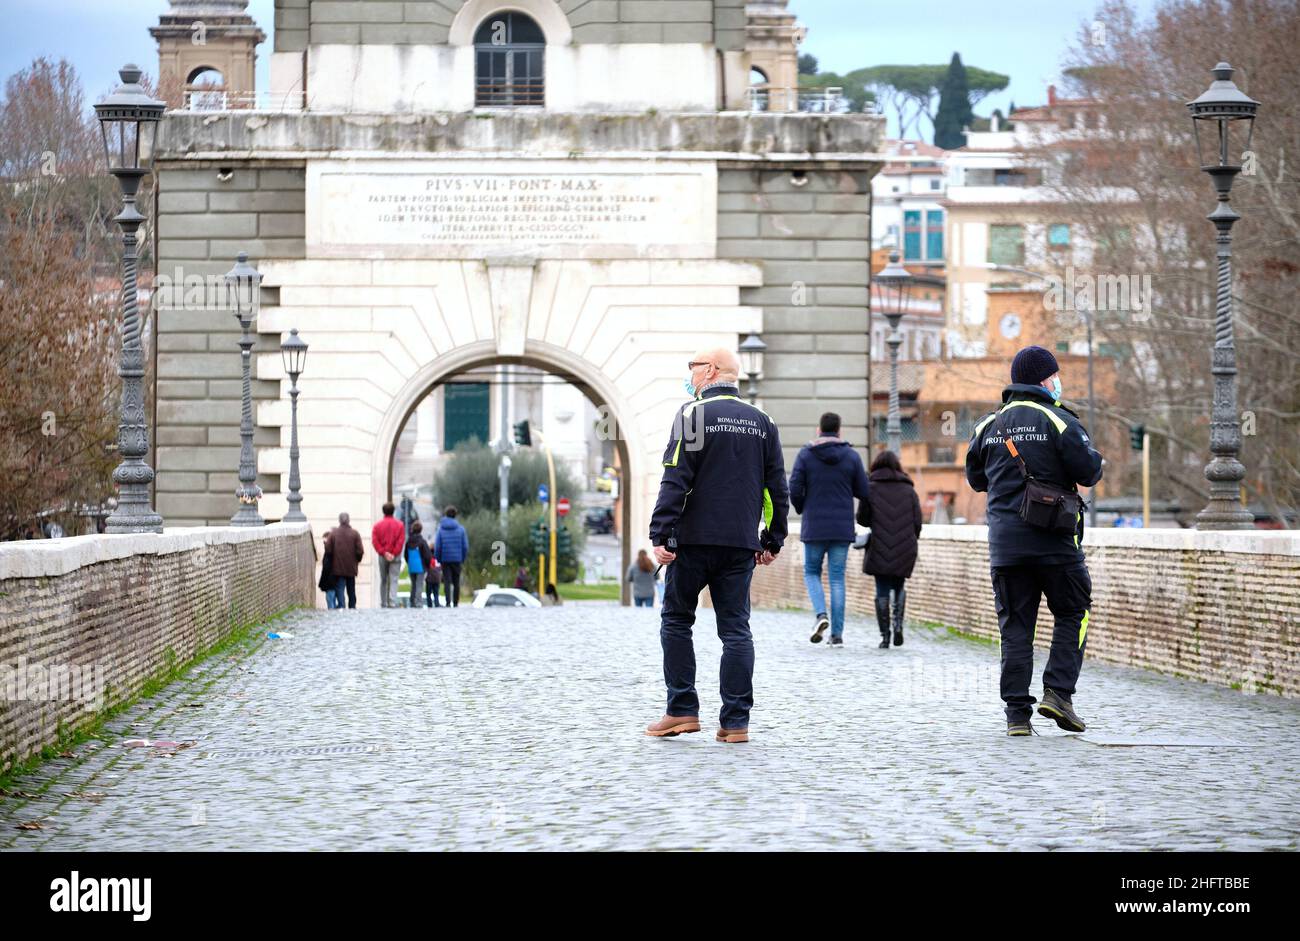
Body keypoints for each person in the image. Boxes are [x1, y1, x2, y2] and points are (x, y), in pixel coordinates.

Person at [646, 347, 789, 744]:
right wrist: (772, 538)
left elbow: (675, 477)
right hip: (740, 545)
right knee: (736, 630)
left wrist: (661, 532)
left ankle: (681, 709)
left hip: (691, 543)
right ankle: (735, 722)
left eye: (691, 366)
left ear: (709, 371)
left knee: (677, 620)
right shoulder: (764, 423)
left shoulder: (692, 415)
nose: (689, 374)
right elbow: (777, 488)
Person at [965, 345, 1104, 737]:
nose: (1058, 383)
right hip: (1056, 543)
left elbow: (976, 480)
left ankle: (1017, 716)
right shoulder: (1059, 420)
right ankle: (1058, 693)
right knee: (1074, 611)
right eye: (1056, 376)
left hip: (1006, 547)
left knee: (1015, 627)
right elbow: (1089, 470)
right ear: (1045, 380)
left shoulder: (986, 426)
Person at [788, 411, 871, 646]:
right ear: (839, 431)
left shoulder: (806, 454)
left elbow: (794, 487)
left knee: (811, 572)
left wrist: (803, 507)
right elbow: (864, 491)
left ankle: (820, 615)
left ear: (819, 430)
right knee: (837, 579)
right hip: (841, 528)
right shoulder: (852, 456)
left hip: (814, 525)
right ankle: (837, 635)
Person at [857, 450, 922, 648]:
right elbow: (917, 521)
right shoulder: (909, 490)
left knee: (882, 589)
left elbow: (862, 518)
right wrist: (910, 540)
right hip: (905, 545)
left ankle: (885, 636)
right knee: (899, 585)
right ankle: (898, 626)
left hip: (879, 545)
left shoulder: (870, 487)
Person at [434, 505, 469, 608]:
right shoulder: (461, 529)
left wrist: (438, 558)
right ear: (455, 515)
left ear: (446, 514)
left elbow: (438, 546)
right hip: (457, 559)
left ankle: (448, 602)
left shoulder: (441, 529)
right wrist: (462, 558)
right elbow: (465, 546)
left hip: (445, 559)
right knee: (456, 581)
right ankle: (455, 602)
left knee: (447, 581)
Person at [372, 503, 405, 608]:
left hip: (383, 556)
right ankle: (392, 601)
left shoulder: (377, 526)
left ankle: (383, 602)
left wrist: (384, 552)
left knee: (384, 579)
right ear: (393, 511)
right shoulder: (400, 525)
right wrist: (394, 553)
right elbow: (401, 541)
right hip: (395, 556)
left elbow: (375, 541)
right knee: (394, 578)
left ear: (383, 511)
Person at [328, 512, 364, 609]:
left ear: (339, 520)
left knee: (340, 588)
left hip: (338, 567)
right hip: (351, 567)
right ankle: (352, 606)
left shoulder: (333, 533)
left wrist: (332, 561)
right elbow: (360, 551)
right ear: (348, 520)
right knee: (351, 589)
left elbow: (328, 549)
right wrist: (357, 560)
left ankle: (341, 606)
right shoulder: (355, 533)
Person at [406, 520, 431, 609]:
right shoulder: (422, 542)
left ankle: (412, 601)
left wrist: (408, 563)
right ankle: (418, 602)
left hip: (411, 566)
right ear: (421, 530)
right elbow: (428, 555)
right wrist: (427, 566)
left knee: (413, 584)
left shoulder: (408, 541)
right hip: (421, 566)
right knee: (419, 584)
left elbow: (406, 554)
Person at [319, 528, 339, 609]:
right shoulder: (335, 550)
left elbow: (326, 568)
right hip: (333, 579)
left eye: (325, 541)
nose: (324, 543)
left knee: (330, 600)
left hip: (330, 580)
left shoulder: (329, 552)